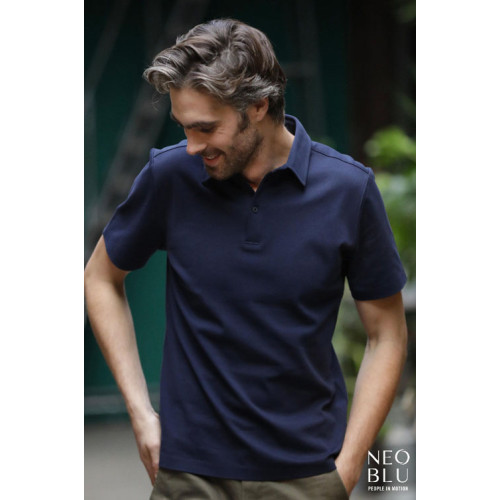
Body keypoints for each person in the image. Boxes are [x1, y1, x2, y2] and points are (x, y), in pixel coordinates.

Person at [84, 18, 408, 500]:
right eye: (184, 127)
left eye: (205, 128)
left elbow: (387, 335)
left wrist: (349, 466)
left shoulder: (348, 190)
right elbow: (99, 279)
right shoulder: (171, 176)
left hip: (306, 474)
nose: (192, 146)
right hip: (188, 474)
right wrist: (140, 412)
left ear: (258, 106)